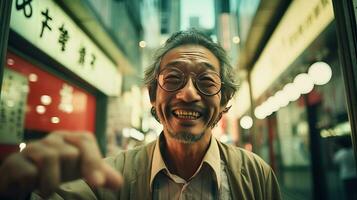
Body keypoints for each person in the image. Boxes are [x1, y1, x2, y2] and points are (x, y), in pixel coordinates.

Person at [0, 29, 281, 199]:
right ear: (152, 95)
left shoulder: (257, 176)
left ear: (225, 100)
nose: (188, 94)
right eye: (173, 79)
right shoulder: (109, 177)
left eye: (206, 82)